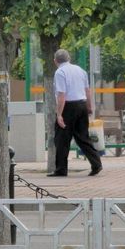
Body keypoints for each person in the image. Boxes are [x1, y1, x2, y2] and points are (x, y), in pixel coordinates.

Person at [50, 49, 102, 177]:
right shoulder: (80, 70)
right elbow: (87, 91)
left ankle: (61, 169)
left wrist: (59, 114)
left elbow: (62, 95)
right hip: (82, 104)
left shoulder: (60, 72)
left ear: (55, 61)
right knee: (83, 137)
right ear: (69, 59)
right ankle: (96, 163)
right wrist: (89, 107)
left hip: (68, 106)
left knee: (61, 139)